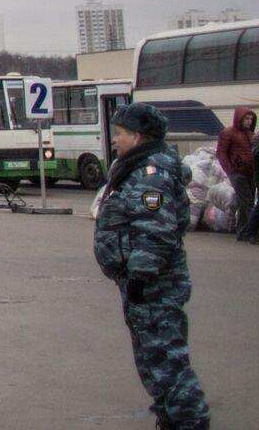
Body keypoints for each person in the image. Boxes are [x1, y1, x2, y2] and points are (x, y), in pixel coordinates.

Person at [95, 103, 210, 430]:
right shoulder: (135, 167)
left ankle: (190, 421)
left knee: (168, 364)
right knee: (153, 363)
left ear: (137, 135)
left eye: (118, 133)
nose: (114, 140)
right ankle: (171, 419)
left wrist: (141, 278)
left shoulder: (151, 174)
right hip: (142, 287)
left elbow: (156, 231)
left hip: (154, 287)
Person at [216, 106, 254, 236]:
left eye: (251, 118)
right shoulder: (228, 133)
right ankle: (254, 231)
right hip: (237, 173)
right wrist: (230, 170)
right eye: (246, 118)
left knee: (244, 203)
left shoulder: (250, 133)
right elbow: (221, 153)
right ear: (240, 118)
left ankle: (243, 233)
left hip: (250, 173)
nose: (249, 121)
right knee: (248, 202)